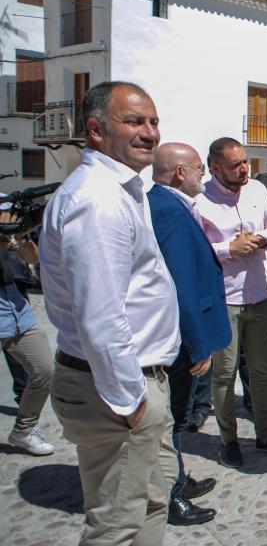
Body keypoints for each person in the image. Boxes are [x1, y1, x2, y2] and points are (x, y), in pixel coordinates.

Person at [39, 81, 180, 544]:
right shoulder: (98, 200)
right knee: (116, 527)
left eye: (153, 121)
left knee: (151, 503)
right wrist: (132, 403)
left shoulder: (120, 189)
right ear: (96, 130)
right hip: (119, 390)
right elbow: (100, 316)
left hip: (135, 383)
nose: (149, 132)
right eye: (135, 121)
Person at [197, 137, 267, 468]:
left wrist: (262, 239)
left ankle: (265, 435)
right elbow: (194, 251)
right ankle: (227, 440)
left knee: (261, 369)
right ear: (215, 168)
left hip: (260, 295)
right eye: (235, 165)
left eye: (245, 162)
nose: (243, 169)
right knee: (224, 374)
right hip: (225, 298)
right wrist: (229, 249)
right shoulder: (199, 201)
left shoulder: (257, 190)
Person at [149, 142, 232, 526]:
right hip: (181, 338)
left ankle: (176, 478)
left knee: (177, 418)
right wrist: (197, 344)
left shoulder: (169, 206)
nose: (204, 174)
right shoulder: (167, 211)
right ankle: (169, 494)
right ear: (181, 173)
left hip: (184, 334)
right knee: (173, 420)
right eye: (200, 168)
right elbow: (179, 282)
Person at [0, 213, 54, 456]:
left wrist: (20, 236)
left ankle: (24, 429)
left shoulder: (8, 237)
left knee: (44, 372)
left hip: (19, 316)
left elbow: (33, 258)